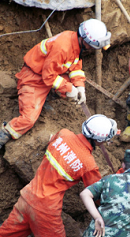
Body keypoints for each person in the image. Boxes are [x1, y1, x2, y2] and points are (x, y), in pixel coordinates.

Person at [0, 114, 118, 237]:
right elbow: (98, 194)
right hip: (46, 211)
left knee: (5, 236)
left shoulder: (63, 133)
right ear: (101, 141)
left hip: (28, 197)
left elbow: (56, 144)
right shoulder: (88, 164)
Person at [0, 19, 111, 149]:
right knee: (28, 120)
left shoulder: (76, 43)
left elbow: (75, 67)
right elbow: (48, 77)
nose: (92, 49)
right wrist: (69, 88)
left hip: (48, 74)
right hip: (34, 78)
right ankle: (4, 134)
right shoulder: (63, 47)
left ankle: (44, 99)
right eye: (93, 46)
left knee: (68, 85)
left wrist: (80, 87)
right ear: (85, 41)